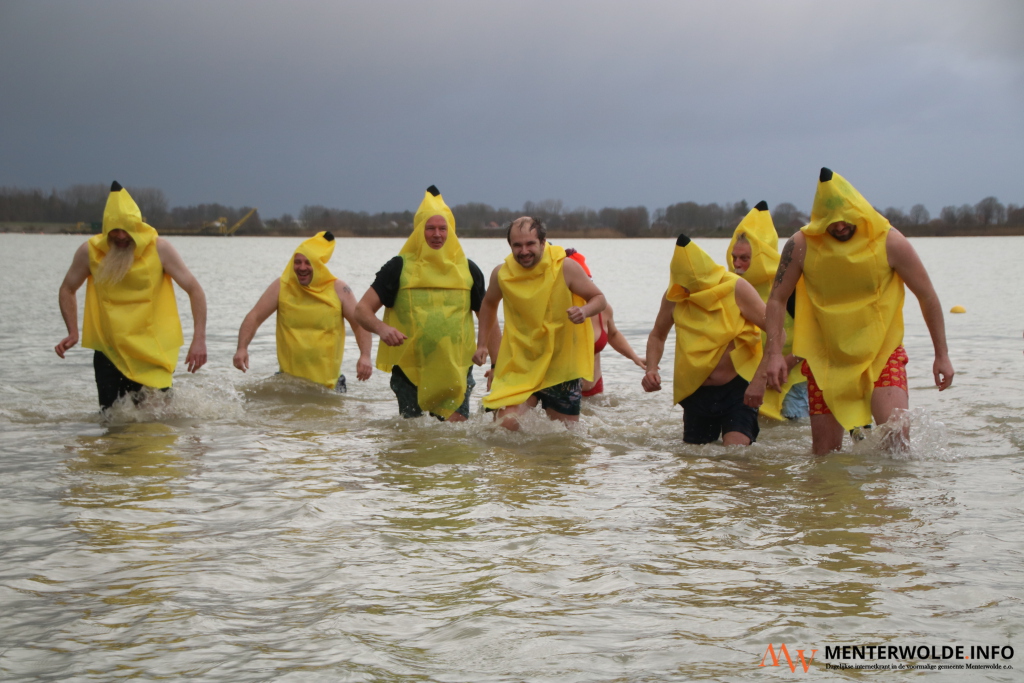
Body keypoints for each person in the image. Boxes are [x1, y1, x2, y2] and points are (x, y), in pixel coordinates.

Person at [748, 168, 954, 455]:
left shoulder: (889, 241)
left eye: (846, 220)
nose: (840, 227)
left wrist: (941, 355)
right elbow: (776, 300)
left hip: (881, 351)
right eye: (832, 223)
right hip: (826, 358)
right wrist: (773, 355)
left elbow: (928, 296)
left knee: (896, 442)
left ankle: (886, 498)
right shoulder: (801, 245)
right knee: (824, 454)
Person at [55, 181, 207, 410]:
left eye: (126, 229)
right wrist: (73, 331)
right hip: (110, 350)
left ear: (137, 225)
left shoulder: (159, 249)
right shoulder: (89, 252)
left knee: (157, 425)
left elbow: (195, 290)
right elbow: (67, 288)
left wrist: (199, 339)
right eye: (114, 230)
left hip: (153, 350)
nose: (121, 235)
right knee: (113, 422)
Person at [354, 185, 489, 421]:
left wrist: (493, 359)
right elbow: (361, 310)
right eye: (430, 228)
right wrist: (382, 329)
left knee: (455, 439)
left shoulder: (468, 269)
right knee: (414, 440)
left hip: (456, 369)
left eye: (442, 228)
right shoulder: (398, 267)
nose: (437, 234)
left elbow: (487, 316)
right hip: (410, 370)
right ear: (419, 231)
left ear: (451, 231)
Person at [476, 217, 606, 429]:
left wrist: (584, 310)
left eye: (530, 244)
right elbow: (488, 305)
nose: (524, 251)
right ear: (510, 246)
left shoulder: (565, 267)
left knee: (564, 440)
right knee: (504, 426)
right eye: (517, 245)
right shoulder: (501, 274)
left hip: (560, 365)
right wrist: (482, 344)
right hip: (520, 364)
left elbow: (599, 299)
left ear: (543, 242)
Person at [642, 234, 766, 445]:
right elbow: (657, 334)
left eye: (694, 286)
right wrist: (651, 368)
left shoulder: (736, 287)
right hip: (695, 391)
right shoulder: (675, 294)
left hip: (737, 388)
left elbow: (776, 332)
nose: (689, 292)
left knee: (735, 457)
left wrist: (759, 382)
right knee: (697, 464)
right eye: (684, 286)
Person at [233, 231, 372, 390]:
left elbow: (360, 323)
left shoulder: (338, 289)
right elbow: (255, 316)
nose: (302, 267)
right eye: (297, 262)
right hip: (289, 385)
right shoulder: (282, 286)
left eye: (308, 262)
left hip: (330, 385)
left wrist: (365, 356)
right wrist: (242, 348)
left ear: (318, 264)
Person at [726, 201, 808, 420]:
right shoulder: (728, 288)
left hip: (793, 383)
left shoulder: (790, 287)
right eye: (734, 257)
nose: (737, 264)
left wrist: (788, 361)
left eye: (745, 258)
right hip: (751, 380)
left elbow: (817, 333)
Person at [563, 249, 646, 396]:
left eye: (588, 283)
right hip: (565, 393)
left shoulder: (603, 309)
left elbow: (612, 334)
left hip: (595, 389)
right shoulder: (557, 313)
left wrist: (635, 357)